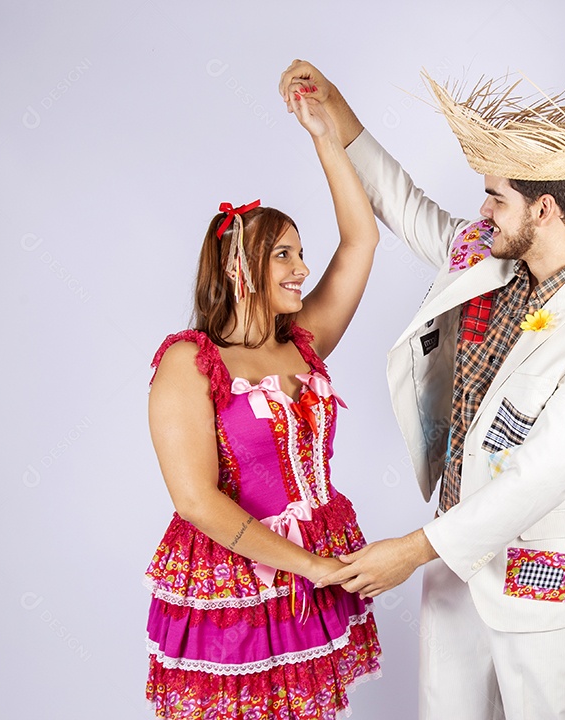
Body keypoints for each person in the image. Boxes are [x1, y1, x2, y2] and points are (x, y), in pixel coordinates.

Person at [279, 61, 565, 719]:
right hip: (453, 567)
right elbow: (403, 203)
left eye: (496, 197)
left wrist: (411, 552)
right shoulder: (488, 254)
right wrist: (334, 114)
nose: (482, 210)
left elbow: (537, 480)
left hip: (537, 576)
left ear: (544, 207)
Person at [143, 90, 381, 719]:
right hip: (238, 582)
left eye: (301, 253)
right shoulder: (188, 364)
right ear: (237, 268)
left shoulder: (304, 342)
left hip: (314, 571)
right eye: (284, 255)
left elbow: (360, 241)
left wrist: (323, 135)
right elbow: (195, 501)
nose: (303, 269)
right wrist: (310, 567)